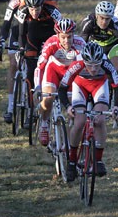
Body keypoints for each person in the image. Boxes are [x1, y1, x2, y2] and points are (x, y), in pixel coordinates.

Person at [58, 41, 118, 182]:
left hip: (99, 86)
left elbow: (117, 87)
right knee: (79, 122)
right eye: (90, 65)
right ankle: (72, 161)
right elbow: (62, 89)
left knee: (99, 120)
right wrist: (68, 107)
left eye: (97, 65)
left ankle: (98, 160)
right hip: (80, 86)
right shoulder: (77, 65)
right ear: (84, 61)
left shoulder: (107, 64)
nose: (93, 68)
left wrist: (116, 106)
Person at [35, 18, 86, 146]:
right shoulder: (51, 43)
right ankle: (45, 123)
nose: (66, 41)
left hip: (71, 73)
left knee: (72, 109)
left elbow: (84, 66)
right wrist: (37, 87)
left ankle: (67, 144)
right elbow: (40, 67)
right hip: (54, 70)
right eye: (63, 37)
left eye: (69, 37)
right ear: (57, 35)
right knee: (48, 98)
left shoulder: (80, 43)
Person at [0, 0, 35, 123]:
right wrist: (2, 40)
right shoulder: (14, 3)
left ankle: (32, 107)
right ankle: (10, 106)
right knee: (13, 64)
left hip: (32, 33)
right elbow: (6, 24)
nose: (25, 0)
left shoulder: (36, 0)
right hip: (17, 32)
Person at [14, 0, 61, 83]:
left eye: (37, 9)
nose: (34, 12)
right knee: (31, 70)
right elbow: (22, 34)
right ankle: (31, 94)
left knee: (50, 64)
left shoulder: (51, 7)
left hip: (49, 30)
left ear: (42, 5)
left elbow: (61, 31)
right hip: (33, 31)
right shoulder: (22, 10)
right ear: (27, 6)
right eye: (31, 9)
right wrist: (22, 48)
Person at [79, 0, 118, 75]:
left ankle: (117, 85)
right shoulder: (88, 22)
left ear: (111, 17)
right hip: (96, 45)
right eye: (102, 18)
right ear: (96, 15)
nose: (104, 22)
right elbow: (82, 43)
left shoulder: (115, 25)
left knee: (117, 69)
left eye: (107, 19)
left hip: (113, 46)